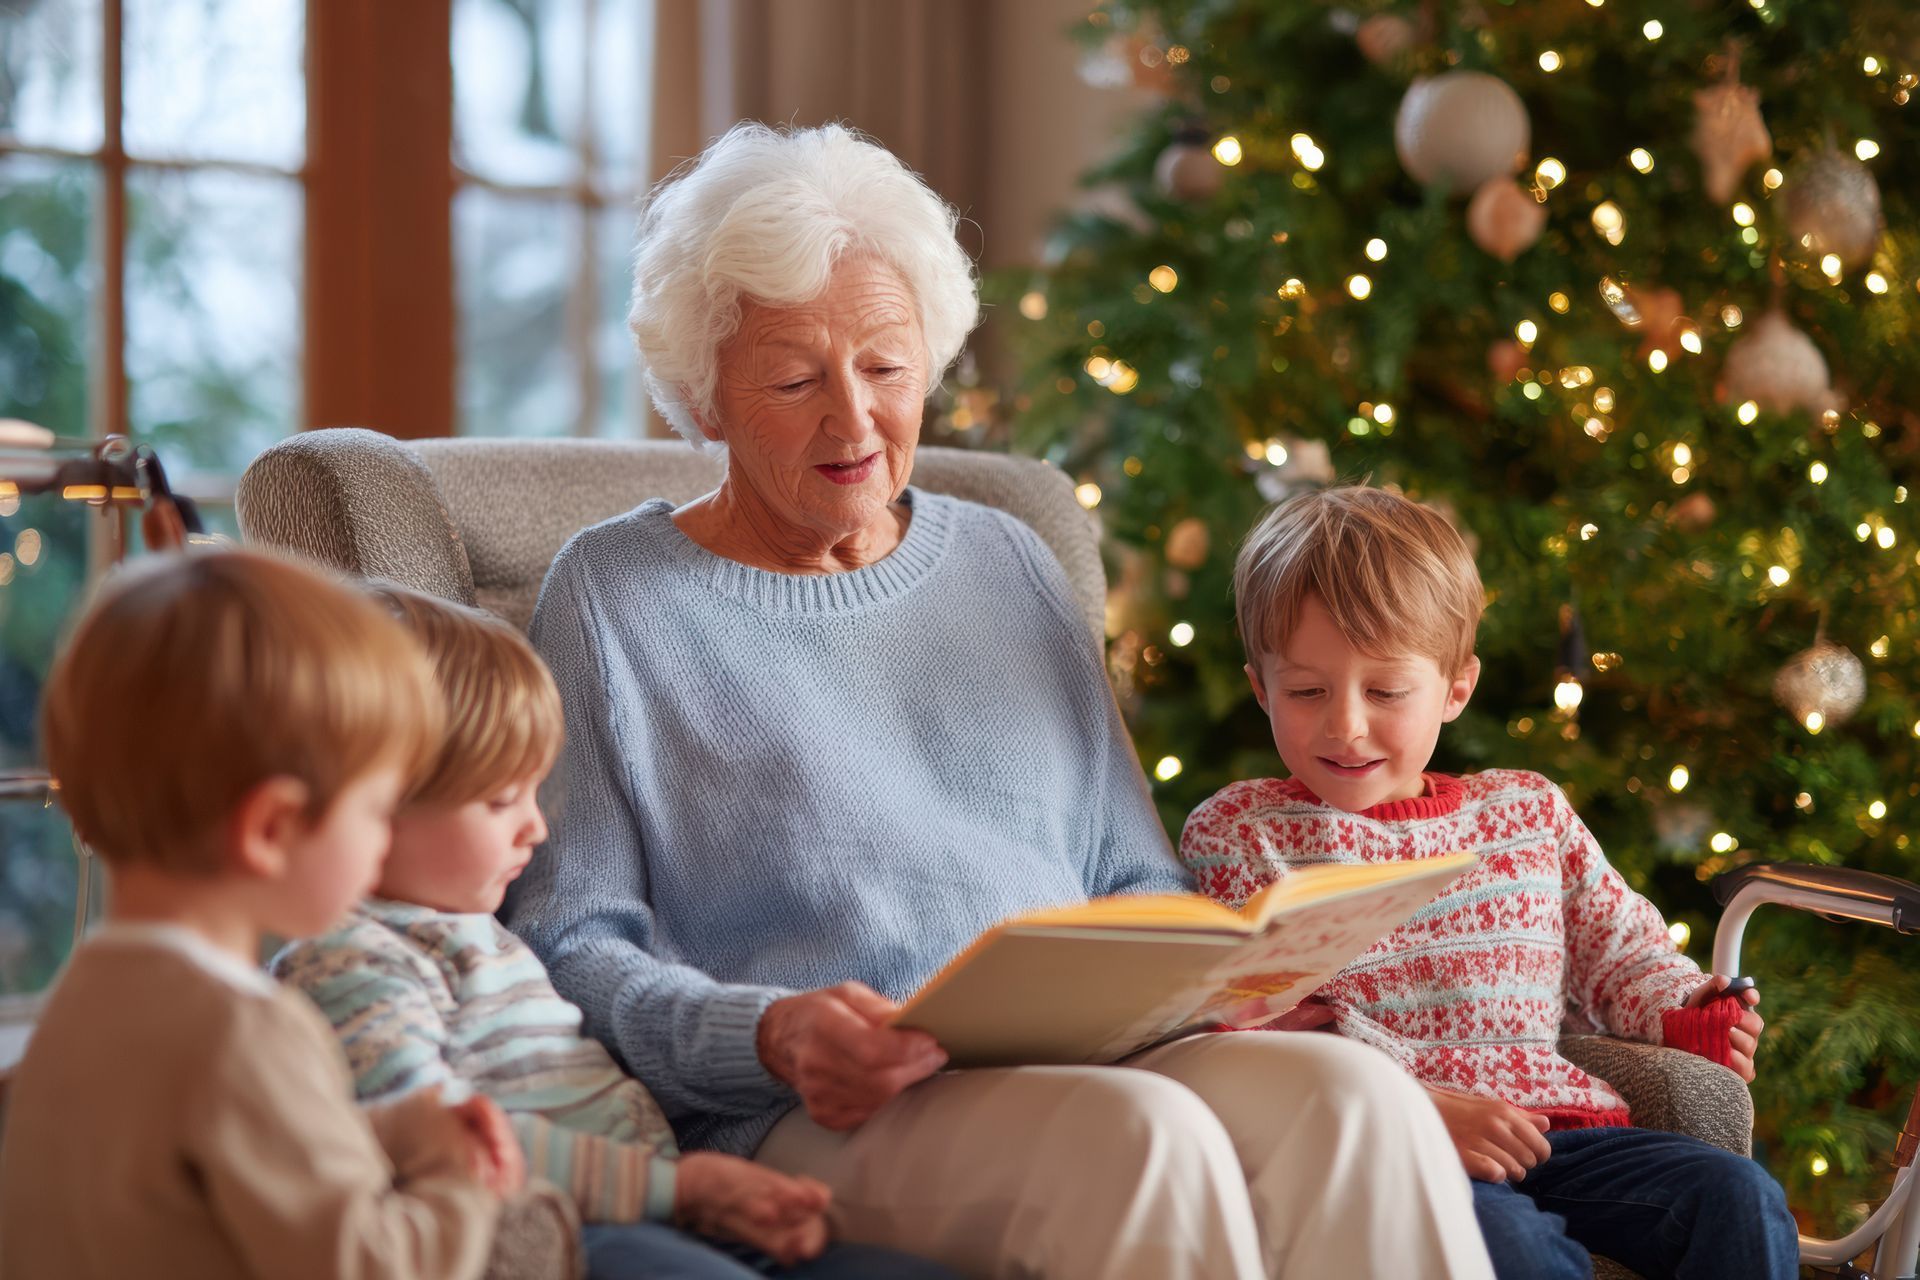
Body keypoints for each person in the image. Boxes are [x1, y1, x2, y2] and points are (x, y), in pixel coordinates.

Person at [502, 120, 1494, 1279]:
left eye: (885, 365)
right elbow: (569, 943)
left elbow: (1131, 872)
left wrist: (1205, 967)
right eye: (792, 378)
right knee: (1142, 1137)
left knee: (1354, 1096)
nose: (854, 419)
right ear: (704, 394)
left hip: (1090, 1057)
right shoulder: (617, 598)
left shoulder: (1006, 562)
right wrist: (767, 1032)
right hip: (827, 1111)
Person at [1179, 483, 1800, 1280]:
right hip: (1394, 1150)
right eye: (1305, 691)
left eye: (1386, 692)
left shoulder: (1528, 813)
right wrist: (1410, 1110)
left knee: (1737, 1198)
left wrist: (1689, 1011)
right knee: (1514, 1251)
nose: (1344, 725)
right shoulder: (1240, 833)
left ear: (1456, 687)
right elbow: (1259, 1027)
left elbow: (1622, 949)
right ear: (1261, 687)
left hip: (1562, 1135)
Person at [276, 584, 959, 1280]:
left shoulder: (477, 934)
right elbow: (442, 1146)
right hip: (545, 1241)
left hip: (655, 1214)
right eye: (500, 800)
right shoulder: (350, 963)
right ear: (365, 807)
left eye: (534, 794)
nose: (536, 829)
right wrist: (682, 1188)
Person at [0, 550, 518, 1280]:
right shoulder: (245, 1031)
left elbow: (225, 1159)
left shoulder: (81, 1001)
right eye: (375, 811)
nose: (383, 842)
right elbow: (370, 1268)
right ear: (272, 829)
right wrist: (457, 1179)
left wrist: (393, 1129)